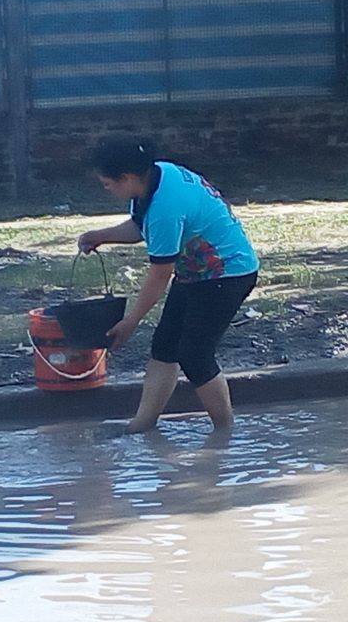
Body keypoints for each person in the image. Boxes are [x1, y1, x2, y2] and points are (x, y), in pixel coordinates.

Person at [77, 138, 259, 434]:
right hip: (197, 272)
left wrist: (131, 322)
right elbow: (140, 227)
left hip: (227, 275)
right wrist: (99, 235)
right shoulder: (155, 176)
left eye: (108, 184)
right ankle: (142, 425)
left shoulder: (166, 206)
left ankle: (224, 434)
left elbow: (160, 274)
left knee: (194, 355)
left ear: (127, 178)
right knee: (164, 347)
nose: (106, 189)